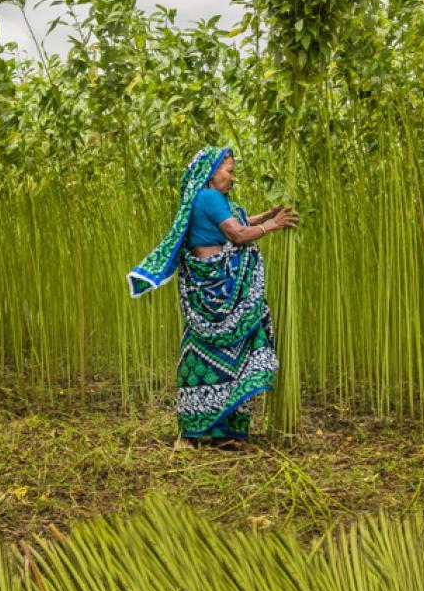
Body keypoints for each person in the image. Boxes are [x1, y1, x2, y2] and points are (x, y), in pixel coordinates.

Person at [127, 146, 298, 450]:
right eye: (229, 170)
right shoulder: (208, 197)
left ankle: (219, 432)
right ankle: (199, 431)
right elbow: (237, 234)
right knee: (210, 354)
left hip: (218, 288)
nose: (233, 178)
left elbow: (239, 220)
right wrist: (272, 225)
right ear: (212, 172)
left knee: (219, 355)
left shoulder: (214, 201)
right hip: (215, 288)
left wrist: (266, 215)